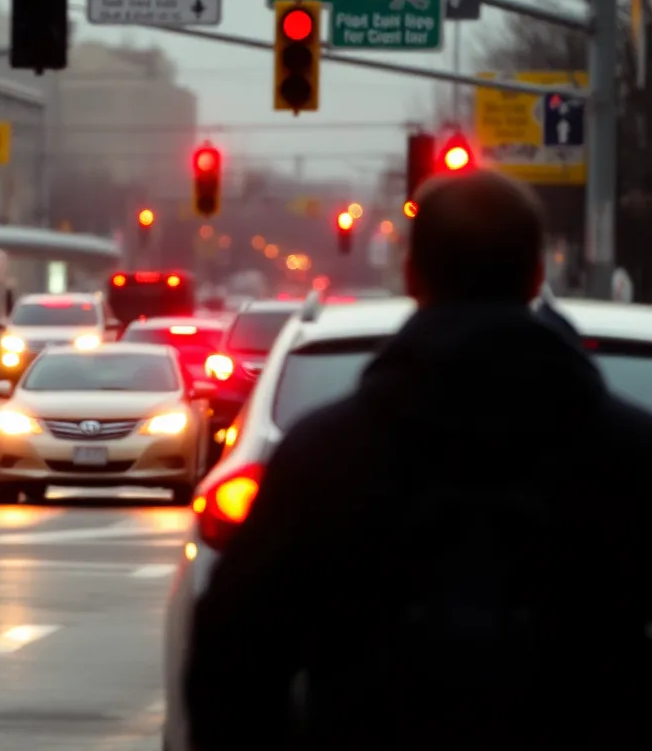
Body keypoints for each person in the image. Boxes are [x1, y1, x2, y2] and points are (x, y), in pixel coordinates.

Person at [184, 170, 652, 750]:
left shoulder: (324, 457)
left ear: (411, 275)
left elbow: (234, 656)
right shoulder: (628, 455)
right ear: (537, 275)